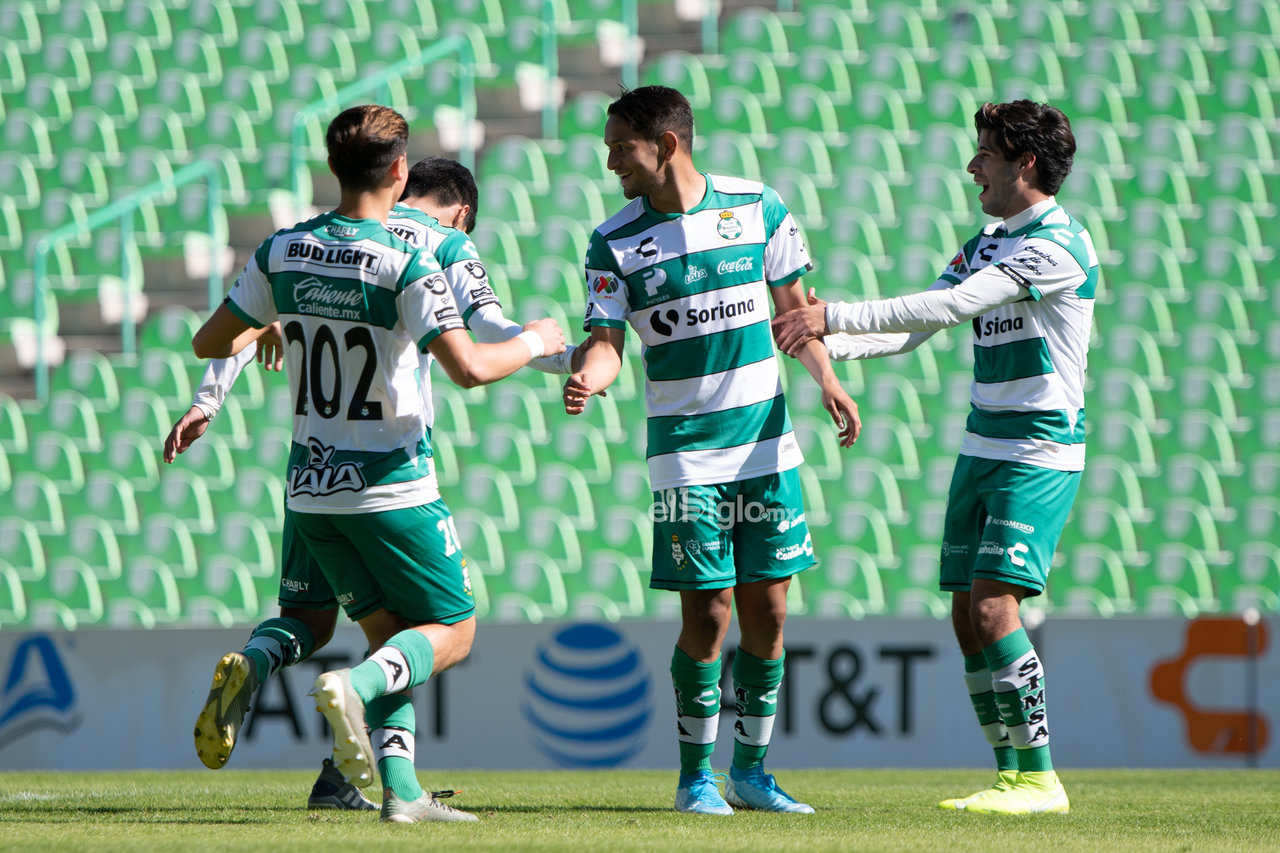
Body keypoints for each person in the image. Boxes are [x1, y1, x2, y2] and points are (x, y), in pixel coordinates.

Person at [190, 104, 565, 823]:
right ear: (400, 171)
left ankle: (402, 794)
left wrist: (278, 318)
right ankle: (353, 690)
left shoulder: (282, 251)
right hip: (390, 484)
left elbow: (212, 341)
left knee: (363, 625)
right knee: (450, 630)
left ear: (334, 168)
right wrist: (537, 338)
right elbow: (471, 368)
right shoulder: (410, 262)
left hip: (311, 487)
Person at [772, 100, 1094, 815]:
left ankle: (1041, 777)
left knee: (992, 607)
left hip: (1039, 449)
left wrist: (832, 315)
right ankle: (1010, 773)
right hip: (983, 442)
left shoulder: (1055, 246)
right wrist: (816, 343)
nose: (972, 166)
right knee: (963, 613)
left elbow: (949, 308)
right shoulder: (986, 240)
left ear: (1026, 163)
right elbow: (912, 330)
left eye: (985, 153)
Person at [562, 85, 860, 815]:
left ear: (666, 143)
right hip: (687, 454)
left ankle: (752, 771)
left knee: (770, 608)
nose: (610, 164)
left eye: (619, 148)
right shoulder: (613, 240)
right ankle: (696, 776)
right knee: (710, 613)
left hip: (764, 446)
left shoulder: (759, 207)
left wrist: (827, 380)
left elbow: (797, 315)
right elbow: (607, 346)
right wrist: (588, 379)